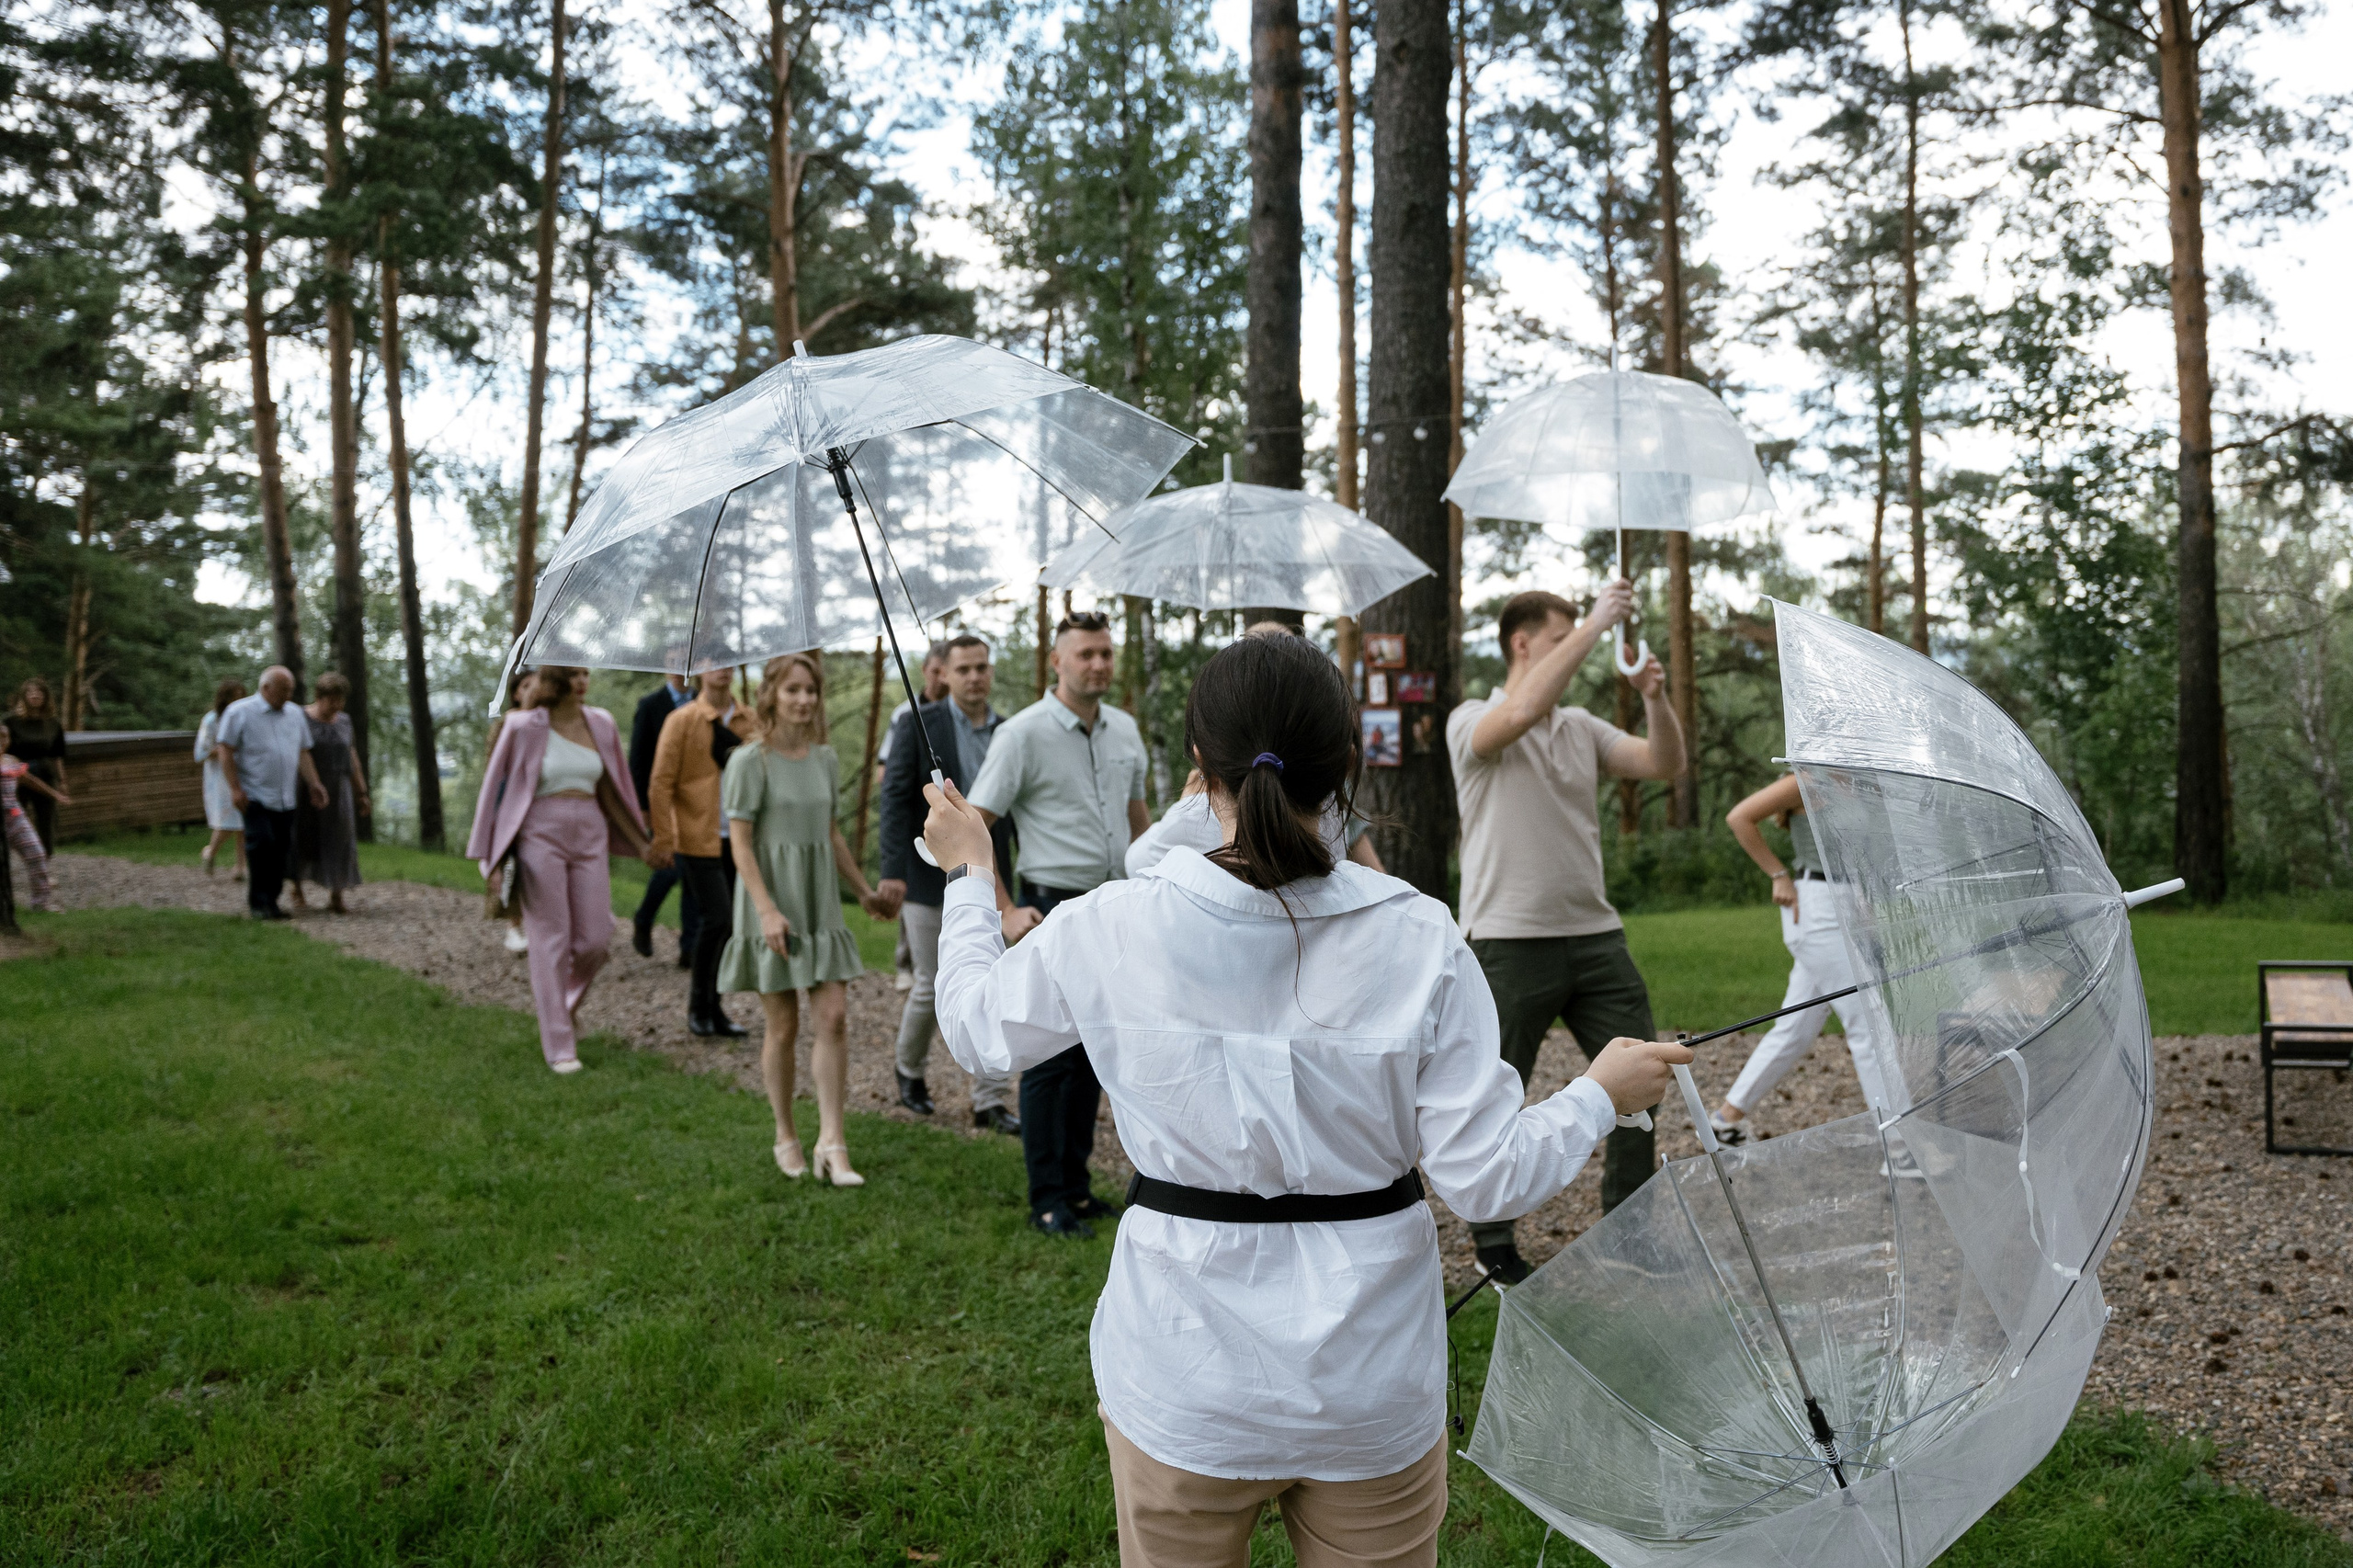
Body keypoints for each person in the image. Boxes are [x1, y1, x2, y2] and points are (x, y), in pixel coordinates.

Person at [925, 631, 1692, 1566]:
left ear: (1198, 763)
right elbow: (1485, 1179)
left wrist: (971, 874)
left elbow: (974, 1030)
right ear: (1348, 766)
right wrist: (1594, 1095)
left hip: (1184, 1378)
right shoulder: (1417, 934)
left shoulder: (1111, 923)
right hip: (1364, 1391)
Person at [1446, 585, 1686, 1285]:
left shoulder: (1579, 726)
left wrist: (1653, 696)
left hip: (1596, 936)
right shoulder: (1474, 720)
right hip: (1506, 941)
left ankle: (1628, 1232)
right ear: (1522, 644)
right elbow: (1519, 710)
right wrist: (1599, 622)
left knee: (1647, 1076)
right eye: (1560, 639)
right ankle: (1493, 1244)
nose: (1573, 650)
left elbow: (1662, 763)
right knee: (1499, 1091)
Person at [964, 610, 1152, 1238]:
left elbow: (1138, 818)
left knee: (1095, 1052)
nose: (1098, 663)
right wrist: (1005, 909)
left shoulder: (1126, 730)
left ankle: (1076, 1188)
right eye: (1086, 654)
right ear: (1057, 661)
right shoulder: (1021, 734)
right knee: (1049, 1057)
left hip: (1117, 906)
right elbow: (974, 826)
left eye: (1105, 652)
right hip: (1051, 905)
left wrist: (1155, 887)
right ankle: (1046, 1198)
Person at [719, 653, 890, 1182]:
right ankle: (785, 1134)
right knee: (783, 1026)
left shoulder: (826, 760)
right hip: (770, 904)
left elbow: (831, 833)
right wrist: (766, 910)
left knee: (834, 1016)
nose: (804, 700)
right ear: (771, 695)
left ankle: (833, 1144)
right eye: (793, 690)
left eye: (811, 691)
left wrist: (862, 891)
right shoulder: (750, 762)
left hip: (819, 904)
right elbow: (740, 845)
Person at [872, 633, 1021, 1131]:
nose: (975, 677)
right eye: (964, 669)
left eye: (982, 667)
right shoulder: (920, 724)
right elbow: (893, 799)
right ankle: (908, 1070)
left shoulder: (1009, 731)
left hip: (991, 877)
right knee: (929, 983)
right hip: (925, 874)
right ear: (946, 674)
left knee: (995, 979)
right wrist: (891, 869)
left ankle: (990, 1099)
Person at [467, 665, 648, 1074]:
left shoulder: (600, 722)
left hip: (590, 831)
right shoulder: (523, 725)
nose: (583, 681)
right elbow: (495, 789)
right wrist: (490, 855)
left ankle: (561, 1008)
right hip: (538, 833)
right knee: (552, 939)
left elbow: (612, 788)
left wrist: (641, 842)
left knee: (597, 938)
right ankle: (560, 1047)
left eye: (585, 673)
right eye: (573, 674)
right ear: (555, 680)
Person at [1712, 774, 1897, 1141]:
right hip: (1816, 907)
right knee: (1869, 1020)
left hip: (1851, 905)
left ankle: (1726, 1120)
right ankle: (1900, 1142)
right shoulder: (1807, 780)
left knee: (1796, 1028)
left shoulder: (1862, 783)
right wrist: (1778, 875)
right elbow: (1739, 817)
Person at [647, 667, 753, 1038]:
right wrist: (663, 838)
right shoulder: (682, 720)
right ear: (701, 669)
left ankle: (715, 1008)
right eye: (714, 661)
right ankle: (698, 1006)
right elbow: (660, 783)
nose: (722, 669)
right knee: (718, 917)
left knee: (729, 925)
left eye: (729, 661)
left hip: (740, 840)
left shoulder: (749, 720)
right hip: (696, 837)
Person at [216, 667, 329, 921]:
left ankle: (273, 902)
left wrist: (315, 784)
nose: (288, 695)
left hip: (285, 797)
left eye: (290, 690)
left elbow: (303, 752)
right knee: (261, 844)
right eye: (283, 690)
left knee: (280, 848)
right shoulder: (240, 712)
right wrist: (235, 788)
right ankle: (259, 902)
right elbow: (225, 750)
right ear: (266, 689)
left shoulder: (295, 714)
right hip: (254, 794)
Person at [878, 642, 951, 991]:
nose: (941, 679)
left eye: (945, 671)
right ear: (925, 671)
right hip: (914, 821)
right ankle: (905, 961)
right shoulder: (904, 715)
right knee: (916, 899)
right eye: (935, 671)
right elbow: (886, 768)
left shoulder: (960, 717)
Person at [629, 670, 700, 967]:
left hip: (697, 801)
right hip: (662, 797)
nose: (682, 671)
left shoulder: (702, 701)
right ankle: (644, 919)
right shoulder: (650, 705)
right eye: (675, 662)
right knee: (672, 866)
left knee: (693, 870)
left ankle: (689, 946)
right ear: (667, 667)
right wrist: (642, 806)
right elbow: (639, 757)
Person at [291, 673, 368, 914]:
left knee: (341, 839)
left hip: (339, 787)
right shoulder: (300, 717)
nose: (337, 705)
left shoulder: (344, 721)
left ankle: (337, 893)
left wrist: (361, 791)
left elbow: (351, 756)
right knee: (304, 836)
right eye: (332, 700)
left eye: (340, 700)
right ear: (319, 697)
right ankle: (297, 887)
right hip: (307, 786)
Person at [489, 665, 539, 954]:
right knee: (511, 865)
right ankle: (513, 924)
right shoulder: (507, 723)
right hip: (509, 802)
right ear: (516, 693)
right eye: (526, 686)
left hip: (537, 803)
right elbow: (496, 769)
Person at [0, 720, 71, 912]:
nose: (1, 741)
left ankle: (41, 903)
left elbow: (31, 781)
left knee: (37, 854)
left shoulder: (11, 761)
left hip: (14, 817)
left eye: (4, 737)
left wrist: (56, 795)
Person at [6, 677, 69, 854]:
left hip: (46, 774)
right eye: (30, 692)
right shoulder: (11, 721)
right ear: (24, 696)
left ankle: (44, 864)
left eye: (39, 692)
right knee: (13, 821)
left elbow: (57, 755)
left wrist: (62, 781)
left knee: (47, 821)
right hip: (18, 777)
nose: (35, 695)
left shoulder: (53, 723)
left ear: (46, 696)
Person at [194, 679, 247, 881]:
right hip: (220, 777)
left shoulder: (244, 718)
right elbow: (202, 751)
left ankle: (241, 866)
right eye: (236, 695)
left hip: (242, 773)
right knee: (226, 822)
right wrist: (225, 750)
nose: (239, 700)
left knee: (243, 821)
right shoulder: (211, 720)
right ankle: (211, 852)